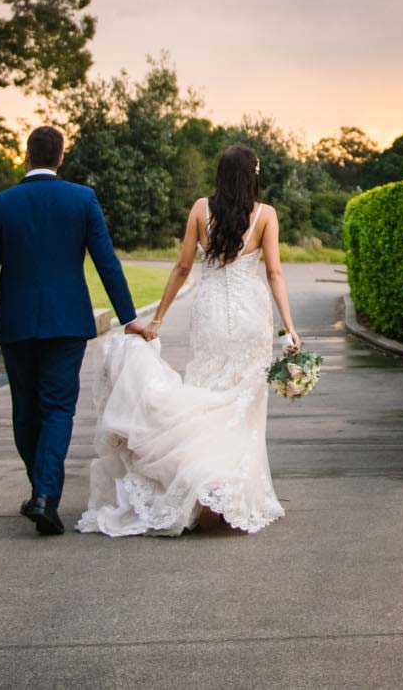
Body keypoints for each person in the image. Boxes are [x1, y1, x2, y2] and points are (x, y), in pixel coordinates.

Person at [77, 143, 298, 536]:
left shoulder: (201, 209)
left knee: (204, 399)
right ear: (254, 175)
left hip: (211, 315)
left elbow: (182, 267)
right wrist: (289, 326)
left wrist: (158, 318)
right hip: (250, 319)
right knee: (242, 409)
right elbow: (275, 274)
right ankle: (229, 495)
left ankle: (200, 491)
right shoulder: (266, 215)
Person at [0, 125, 151, 535]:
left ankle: (42, 493)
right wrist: (129, 318)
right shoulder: (81, 199)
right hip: (67, 323)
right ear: (61, 158)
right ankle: (44, 495)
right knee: (57, 408)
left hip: (16, 323)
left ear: (26, 155)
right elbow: (107, 262)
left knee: (26, 410)